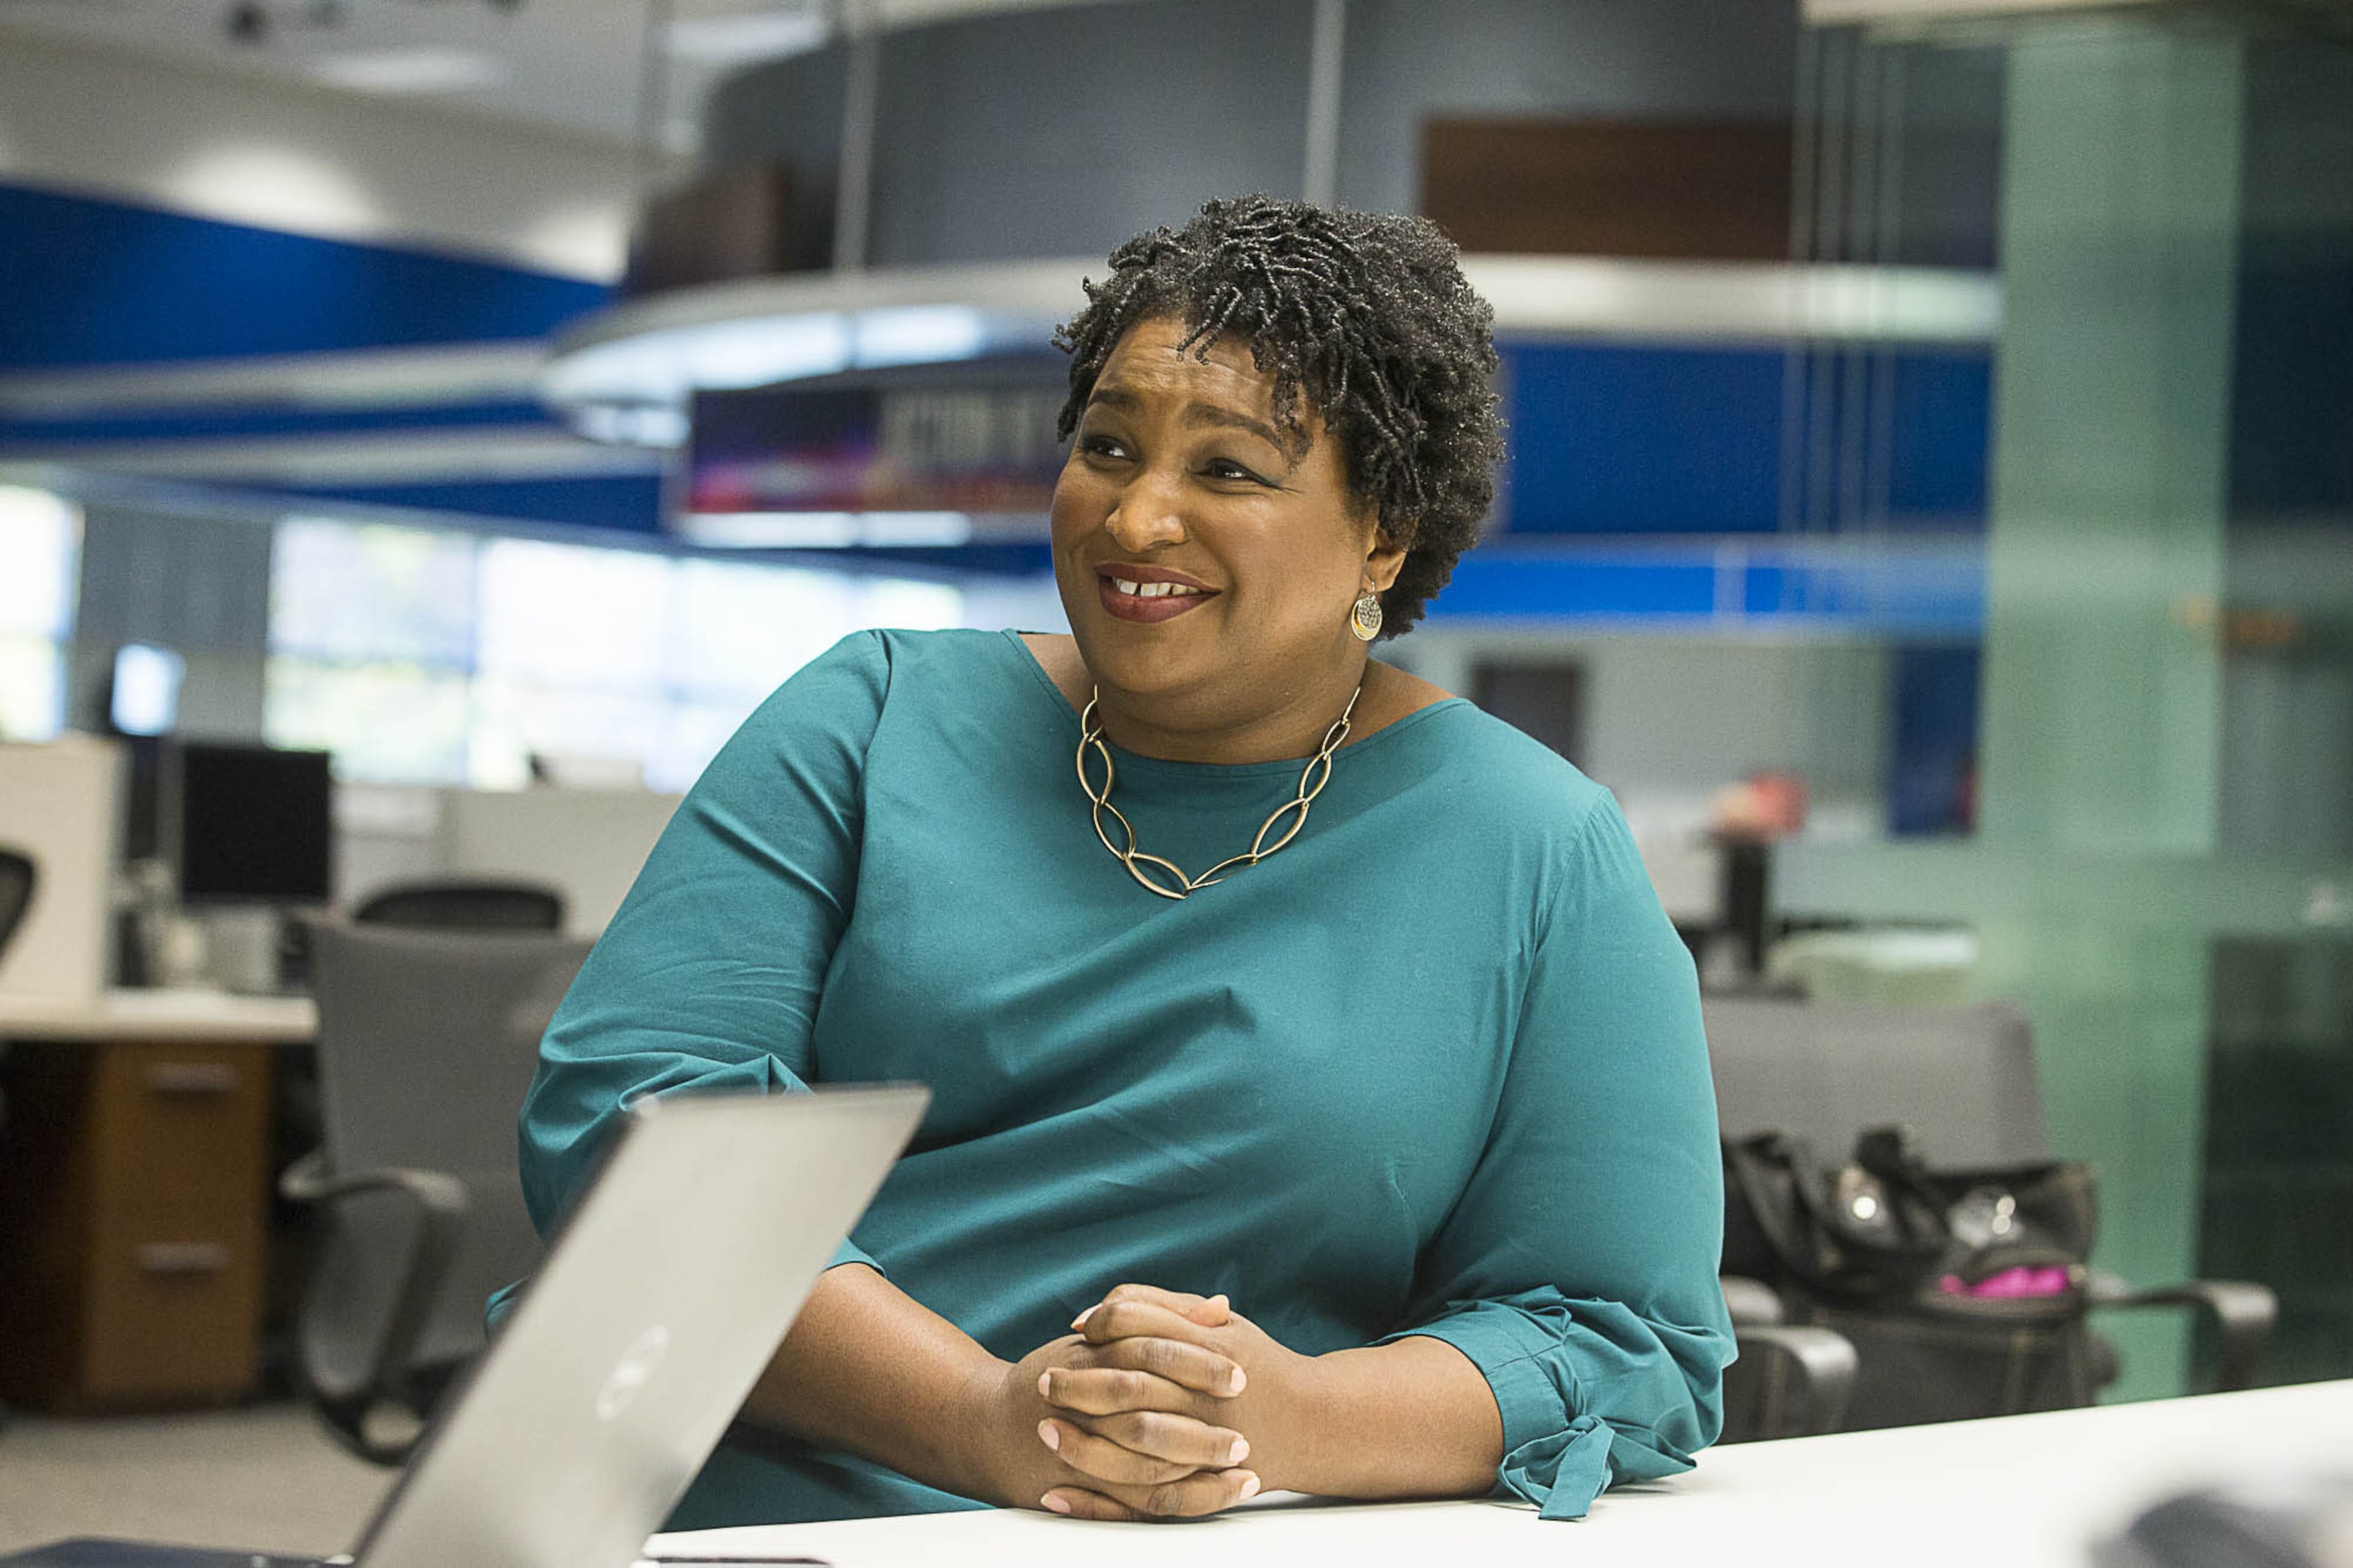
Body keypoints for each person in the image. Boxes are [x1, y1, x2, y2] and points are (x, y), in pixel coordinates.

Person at [505, 194, 1733, 1528]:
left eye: (1229, 470)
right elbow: (637, 1120)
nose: (1136, 519)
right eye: (1106, 446)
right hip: (722, 1488)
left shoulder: (1538, 848)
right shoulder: (872, 718)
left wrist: (1289, 1418)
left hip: (1198, 1530)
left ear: (1380, 534)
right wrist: (980, 1418)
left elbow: (1621, 1335)